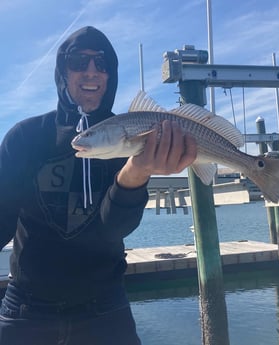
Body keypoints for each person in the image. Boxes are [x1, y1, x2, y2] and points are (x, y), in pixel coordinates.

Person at [0, 26, 197, 345]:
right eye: (79, 61)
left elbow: (114, 228)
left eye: (102, 64)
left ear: (111, 75)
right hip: (27, 310)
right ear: (62, 71)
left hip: (106, 309)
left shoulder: (132, 139)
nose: (92, 71)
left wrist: (136, 171)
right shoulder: (24, 138)